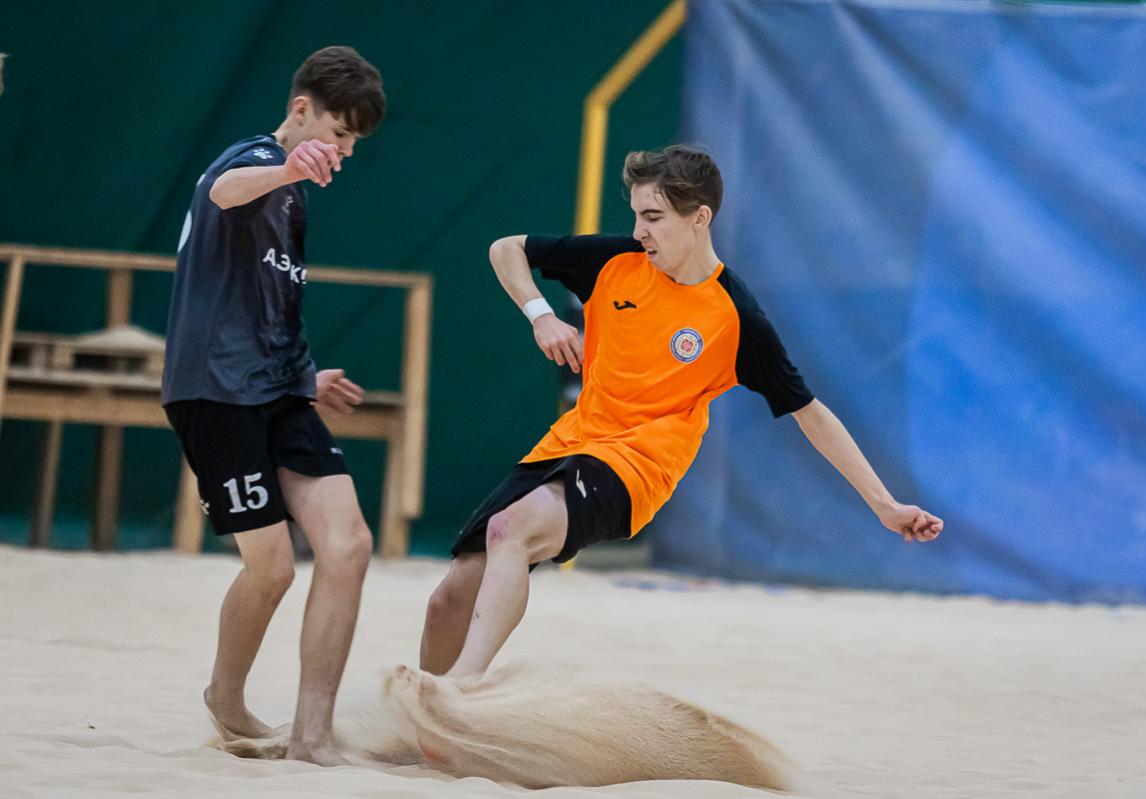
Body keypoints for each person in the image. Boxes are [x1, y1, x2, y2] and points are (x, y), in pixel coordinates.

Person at [420, 145, 943, 680]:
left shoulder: (735, 316)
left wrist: (885, 506)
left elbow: (810, 414)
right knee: (448, 601)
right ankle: (426, 717)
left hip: (638, 466)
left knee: (510, 529)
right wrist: (541, 315)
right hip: (569, 442)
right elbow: (506, 248)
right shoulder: (614, 261)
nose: (640, 231)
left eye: (653, 217)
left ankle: (460, 692)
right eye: (636, 215)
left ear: (700, 218)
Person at [161, 46, 386, 765]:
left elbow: (269, 298)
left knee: (349, 545)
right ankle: (225, 698)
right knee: (273, 568)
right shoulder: (255, 160)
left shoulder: (292, 193)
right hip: (214, 391)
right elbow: (224, 191)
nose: (346, 150)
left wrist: (307, 376)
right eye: (340, 133)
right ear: (301, 110)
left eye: (355, 141)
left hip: (279, 388)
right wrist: (289, 167)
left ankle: (311, 734)